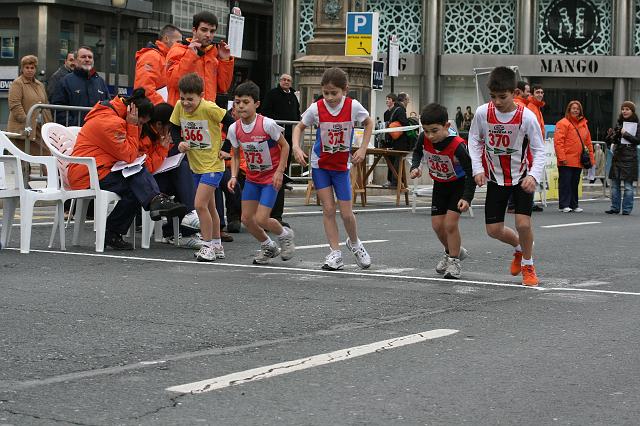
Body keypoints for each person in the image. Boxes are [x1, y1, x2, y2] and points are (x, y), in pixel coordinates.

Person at [68, 89, 188, 250]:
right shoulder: (111, 123)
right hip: (88, 174)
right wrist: (132, 126)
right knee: (136, 183)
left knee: (137, 183)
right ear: (133, 113)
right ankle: (152, 203)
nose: (140, 128)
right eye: (140, 123)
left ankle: (151, 205)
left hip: (100, 169)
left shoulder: (114, 117)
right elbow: (130, 155)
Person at [468, 66, 545, 287]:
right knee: (493, 231)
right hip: (495, 179)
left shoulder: (526, 117)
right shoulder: (483, 113)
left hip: (521, 179)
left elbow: (539, 150)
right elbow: (474, 141)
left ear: (514, 93)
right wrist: (478, 169)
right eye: (493, 96)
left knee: (523, 224)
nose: (498, 102)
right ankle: (519, 249)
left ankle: (528, 265)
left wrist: (534, 175)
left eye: (503, 97)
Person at [292, 67, 373, 271]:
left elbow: (369, 122)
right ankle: (335, 253)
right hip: (320, 164)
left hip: (341, 166)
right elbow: (299, 127)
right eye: (326, 93)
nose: (330, 97)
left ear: (345, 90)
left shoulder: (353, 106)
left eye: (334, 93)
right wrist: (296, 146)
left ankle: (354, 243)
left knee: (347, 213)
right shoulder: (316, 108)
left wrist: (363, 149)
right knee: (328, 209)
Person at [227, 81, 295, 264]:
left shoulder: (267, 124)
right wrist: (233, 176)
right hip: (252, 179)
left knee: (262, 218)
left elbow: (285, 146)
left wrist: (280, 172)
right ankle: (268, 247)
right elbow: (235, 154)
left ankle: (285, 234)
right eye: (237, 102)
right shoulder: (234, 128)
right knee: (247, 219)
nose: (240, 106)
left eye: (245, 102)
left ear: (256, 104)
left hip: (270, 178)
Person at [409, 103, 475, 279]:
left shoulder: (458, 146)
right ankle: (451, 251)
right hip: (440, 183)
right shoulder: (424, 138)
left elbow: (470, 172)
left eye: (434, 131)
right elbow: (417, 153)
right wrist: (415, 167)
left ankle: (454, 261)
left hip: (458, 185)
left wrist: (467, 197)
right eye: (426, 130)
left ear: (446, 126)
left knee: (450, 224)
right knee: (437, 225)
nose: (430, 136)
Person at [170, 73, 229, 262]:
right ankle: (217, 245)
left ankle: (207, 246)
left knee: (199, 205)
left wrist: (226, 148)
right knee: (210, 207)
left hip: (213, 164)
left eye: (190, 99)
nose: (186, 103)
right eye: (182, 98)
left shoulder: (209, 108)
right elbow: (173, 127)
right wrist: (180, 143)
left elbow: (233, 124)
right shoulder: (179, 107)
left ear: (201, 95)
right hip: (196, 164)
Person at [138, 102, 203, 248]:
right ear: (160, 124)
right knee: (181, 174)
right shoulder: (145, 136)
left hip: (157, 179)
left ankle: (180, 229)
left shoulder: (158, 135)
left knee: (183, 171)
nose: (171, 132)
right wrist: (162, 148)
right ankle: (187, 223)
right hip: (148, 184)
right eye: (170, 127)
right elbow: (148, 167)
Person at [166, 11, 234, 106]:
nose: (208, 35)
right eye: (204, 30)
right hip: (183, 115)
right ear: (194, 30)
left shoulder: (213, 55)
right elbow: (174, 83)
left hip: (206, 115)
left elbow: (223, 88)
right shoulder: (178, 50)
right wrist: (191, 55)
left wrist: (225, 60)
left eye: (212, 31)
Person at [261, 73, 302, 228]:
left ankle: (276, 216)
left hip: (289, 137)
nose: (286, 82)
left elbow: (297, 113)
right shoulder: (272, 94)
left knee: (282, 173)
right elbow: (266, 112)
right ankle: (266, 215)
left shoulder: (293, 96)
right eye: (284, 80)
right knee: (272, 173)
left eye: (288, 80)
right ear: (280, 81)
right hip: (274, 137)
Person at [51, 46, 109, 125]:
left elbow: (108, 105)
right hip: (74, 132)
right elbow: (58, 108)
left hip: (97, 131)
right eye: (83, 57)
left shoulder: (100, 82)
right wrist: (73, 124)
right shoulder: (65, 81)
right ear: (75, 61)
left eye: (90, 57)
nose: (87, 59)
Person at [553, 100, 594, 213]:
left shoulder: (584, 124)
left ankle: (574, 204)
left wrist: (591, 158)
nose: (575, 110)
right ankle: (564, 204)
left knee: (574, 183)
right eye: (573, 108)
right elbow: (558, 142)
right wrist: (562, 158)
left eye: (577, 108)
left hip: (578, 160)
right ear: (569, 110)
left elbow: (588, 142)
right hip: (566, 159)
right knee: (565, 183)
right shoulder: (563, 123)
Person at [7, 55, 52, 155]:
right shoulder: (17, 83)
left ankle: (48, 171)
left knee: (46, 153)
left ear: (36, 69)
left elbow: (45, 104)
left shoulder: (39, 85)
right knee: (24, 159)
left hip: (39, 126)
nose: (29, 70)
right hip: (22, 128)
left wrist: (49, 122)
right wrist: (26, 121)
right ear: (22, 69)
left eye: (32, 68)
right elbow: (15, 104)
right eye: (27, 67)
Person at [604, 101, 639, 215]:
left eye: (627, 109)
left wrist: (625, 134)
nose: (624, 111)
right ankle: (615, 207)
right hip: (618, 156)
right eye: (623, 109)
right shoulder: (619, 123)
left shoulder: (637, 124)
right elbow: (612, 141)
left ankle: (626, 209)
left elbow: (637, 140)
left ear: (632, 111)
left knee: (628, 186)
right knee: (615, 185)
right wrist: (609, 136)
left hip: (630, 157)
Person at [134, 24, 183, 105]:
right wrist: (165, 108)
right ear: (166, 38)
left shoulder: (165, 58)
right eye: (178, 42)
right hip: (155, 112)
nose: (180, 46)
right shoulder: (152, 56)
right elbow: (145, 90)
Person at [383, 92, 410, 188]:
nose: (408, 102)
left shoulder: (397, 110)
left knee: (396, 160)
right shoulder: (397, 111)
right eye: (408, 100)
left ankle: (396, 181)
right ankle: (394, 181)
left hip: (396, 140)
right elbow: (404, 124)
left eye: (389, 99)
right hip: (395, 140)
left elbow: (401, 124)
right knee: (394, 160)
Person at [527, 84, 546, 212]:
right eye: (537, 92)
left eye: (541, 92)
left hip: (535, 145)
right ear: (532, 94)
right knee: (531, 172)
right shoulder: (531, 107)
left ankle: (530, 201)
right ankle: (529, 201)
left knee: (532, 172)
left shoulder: (537, 107)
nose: (540, 94)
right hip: (531, 146)